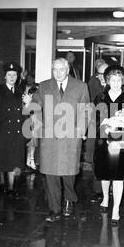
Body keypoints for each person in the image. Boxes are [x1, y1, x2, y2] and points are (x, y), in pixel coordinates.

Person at [23, 58, 90, 222]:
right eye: (55, 69)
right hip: (49, 137)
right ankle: (54, 208)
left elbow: (85, 110)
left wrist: (81, 130)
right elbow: (36, 108)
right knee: (50, 174)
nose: (58, 73)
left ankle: (69, 199)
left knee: (69, 173)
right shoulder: (44, 86)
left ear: (68, 70)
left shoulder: (81, 86)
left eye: (61, 69)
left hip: (71, 137)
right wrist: (29, 104)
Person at [93, 65, 124, 226]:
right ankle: (105, 198)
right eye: (113, 80)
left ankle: (116, 210)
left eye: (119, 80)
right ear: (107, 81)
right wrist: (104, 122)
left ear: (123, 81)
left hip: (122, 140)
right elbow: (93, 119)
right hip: (103, 140)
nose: (116, 83)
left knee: (118, 175)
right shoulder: (100, 97)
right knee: (105, 173)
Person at [0, 62, 25, 198]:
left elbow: (25, 113)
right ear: (5, 76)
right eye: (9, 75)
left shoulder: (21, 92)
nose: (12, 77)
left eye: (14, 75)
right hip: (1, 132)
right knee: (4, 160)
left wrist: (29, 103)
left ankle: (10, 187)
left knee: (13, 161)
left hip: (17, 132)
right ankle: (5, 185)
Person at [86, 62, 109, 203]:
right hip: (94, 128)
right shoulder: (90, 87)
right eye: (99, 73)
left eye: (104, 73)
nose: (102, 76)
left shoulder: (115, 86)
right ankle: (98, 190)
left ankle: (108, 187)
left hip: (110, 129)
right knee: (95, 159)